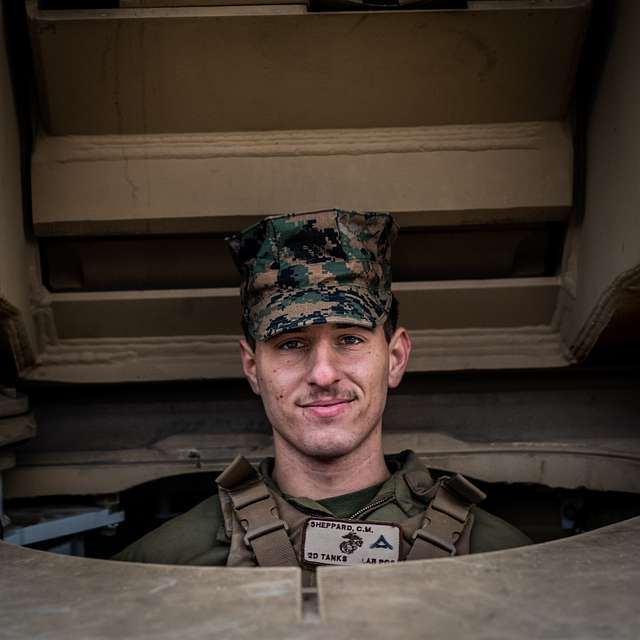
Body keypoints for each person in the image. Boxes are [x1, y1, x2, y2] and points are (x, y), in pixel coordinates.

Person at [114, 209, 530, 568]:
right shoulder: (163, 565)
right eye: (291, 344)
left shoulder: (504, 560)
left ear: (396, 357)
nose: (324, 374)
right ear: (252, 367)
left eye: (350, 339)